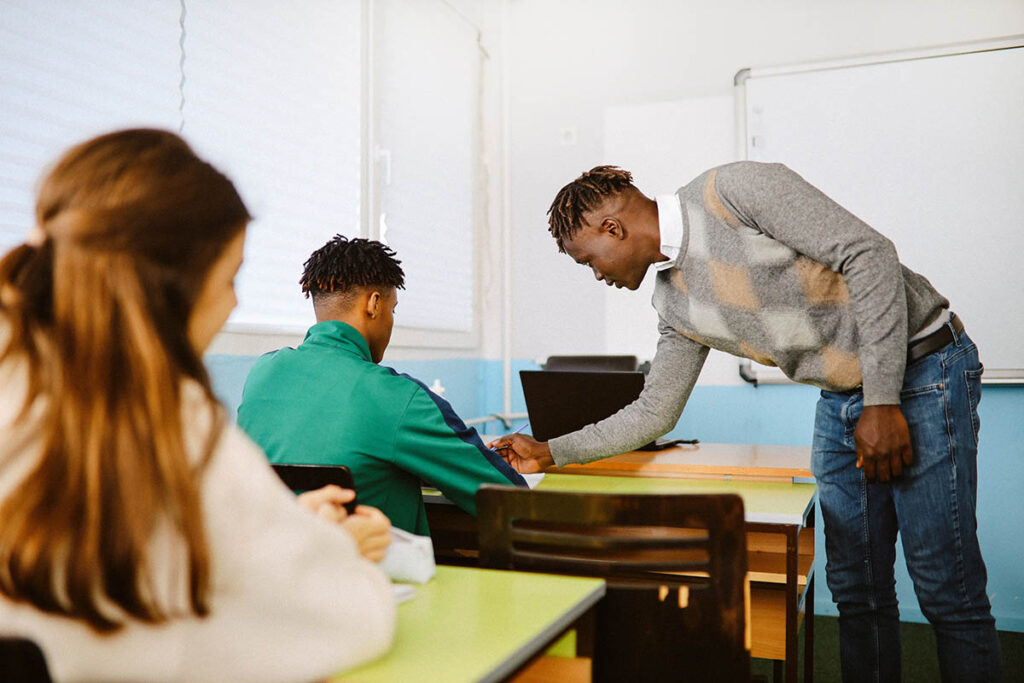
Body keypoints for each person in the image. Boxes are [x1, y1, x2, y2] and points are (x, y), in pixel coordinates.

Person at [490, 163, 1001, 682]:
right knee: (856, 587)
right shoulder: (672, 302)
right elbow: (654, 412)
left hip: (923, 366)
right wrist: (549, 450)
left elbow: (870, 254)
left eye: (588, 261)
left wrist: (882, 402)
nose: (596, 274)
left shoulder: (731, 191)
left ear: (612, 230)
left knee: (945, 584)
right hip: (844, 395)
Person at [0, 129, 395, 682]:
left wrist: (284, 530)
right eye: (231, 277)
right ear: (171, 286)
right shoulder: (168, 424)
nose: (233, 302)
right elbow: (346, 621)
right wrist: (334, 548)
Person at [237, 235, 527, 536]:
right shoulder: (399, 397)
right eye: (393, 309)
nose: (391, 320)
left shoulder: (262, 373)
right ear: (374, 304)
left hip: (263, 568)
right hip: (366, 575)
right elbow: (507, 496)